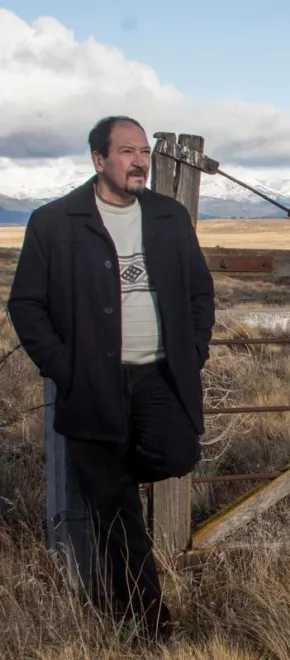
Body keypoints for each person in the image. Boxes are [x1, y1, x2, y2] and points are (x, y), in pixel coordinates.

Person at [7, 116, 215, 641]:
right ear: (99, 160)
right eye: (127, 151)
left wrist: (193, 351)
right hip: (92, 383)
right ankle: (148, 627)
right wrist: (65, 369)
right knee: (119, 517)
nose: (140, 160)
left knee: (177, 454)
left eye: (144, 151)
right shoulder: (55, 222)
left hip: (159, 375)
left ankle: (114, 478)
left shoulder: (168, 217)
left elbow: (199, 295)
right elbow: (27, 305)